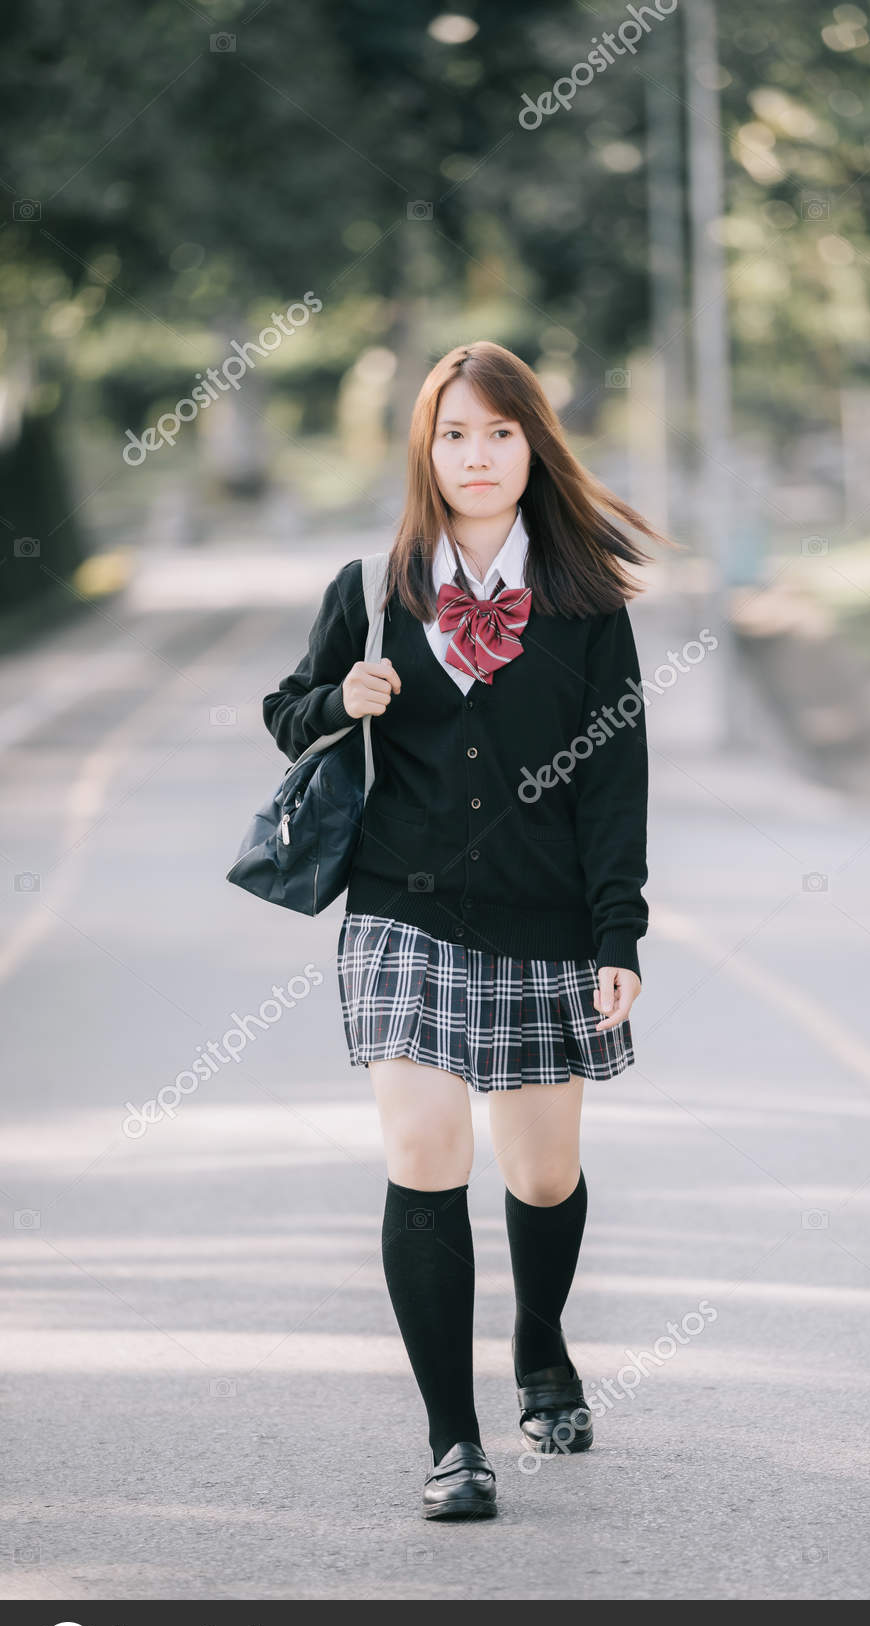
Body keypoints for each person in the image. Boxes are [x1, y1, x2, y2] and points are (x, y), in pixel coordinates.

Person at [263, 340, 666, 1521]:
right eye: (453, 434)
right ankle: (455, 1441)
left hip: (545, 920)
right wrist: (341, 699)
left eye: (498, 432)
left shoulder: (584, 602)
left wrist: (616, 934)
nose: (475, 455)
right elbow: (287, 713)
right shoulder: (376, 587)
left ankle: (539, 1344)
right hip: (402, 910)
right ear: (423, 450)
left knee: (540, 1171)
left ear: (531, 444)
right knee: (424, 1149)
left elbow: (616, 782)